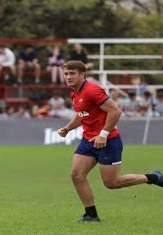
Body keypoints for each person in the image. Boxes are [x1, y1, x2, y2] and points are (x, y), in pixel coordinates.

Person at [57, 60, 163, 222]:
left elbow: (115, 111)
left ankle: (153, 177)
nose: (68, 77)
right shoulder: (74, 92)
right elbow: (82, 113)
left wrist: (103, 134)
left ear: (82, 74)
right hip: (88, 141)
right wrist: (68, 128)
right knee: (77, 175)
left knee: (112, 183)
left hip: (108, 142)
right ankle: (91, 215)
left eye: (72, 74)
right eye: (66, 74)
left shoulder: (93, 90)